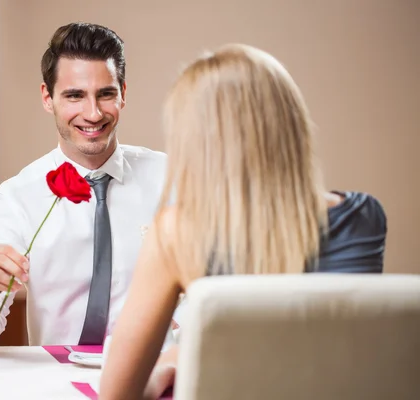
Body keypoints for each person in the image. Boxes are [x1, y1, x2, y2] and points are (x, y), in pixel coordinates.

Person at [98, 44, 388, 399]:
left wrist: (164, 369)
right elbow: (311, 352)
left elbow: (118, 393)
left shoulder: (177, 233)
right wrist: (177, 357)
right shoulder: (365, 217)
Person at [0, 22, 177, 349]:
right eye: (75, 95)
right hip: (56, 386)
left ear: (123, 94)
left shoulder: (172, 178)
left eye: (106, 94)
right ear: (48, 97)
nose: (93, 113)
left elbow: (215, 287)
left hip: (155, 381)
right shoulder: (16, 200)